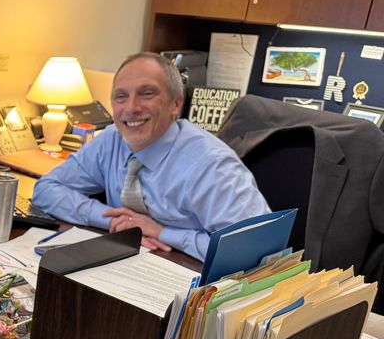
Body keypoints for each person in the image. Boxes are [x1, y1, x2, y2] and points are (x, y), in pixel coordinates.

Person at [31, 51, 270, 260]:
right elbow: (46, 190)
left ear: (175, 104)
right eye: (120, 96)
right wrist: (113, 221)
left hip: (198, 283)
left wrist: (162, 232)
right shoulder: (111, 140)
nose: (131, 108)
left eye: (147, 94)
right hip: (132, 262)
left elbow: (254, 252)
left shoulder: (212, 165)